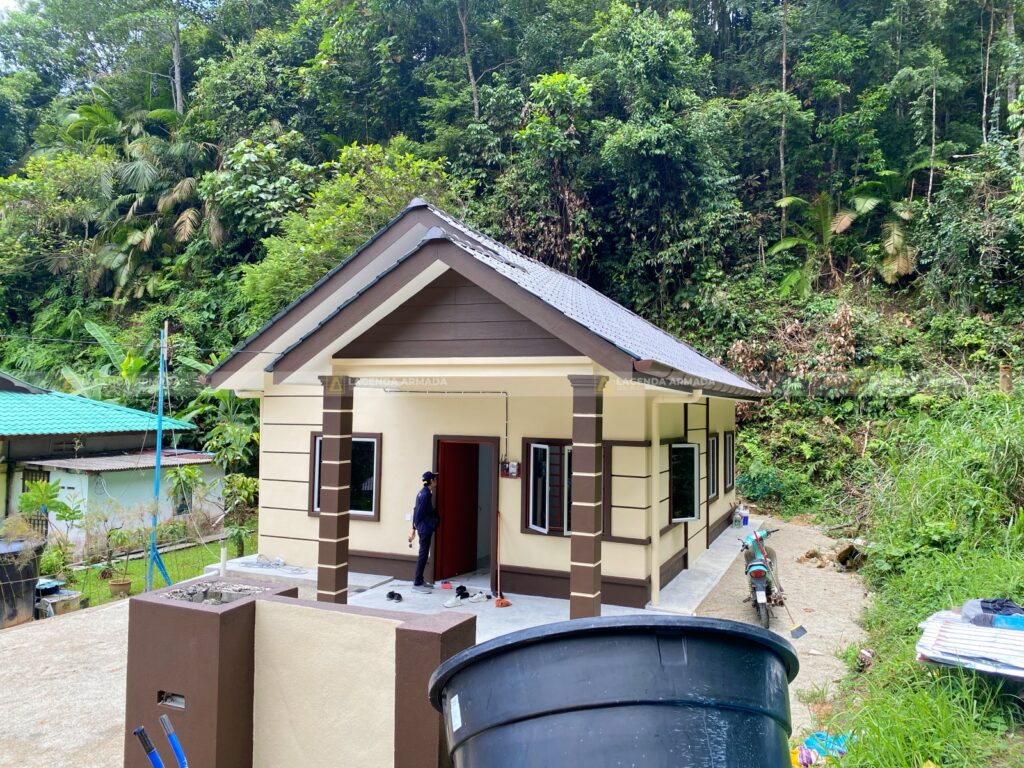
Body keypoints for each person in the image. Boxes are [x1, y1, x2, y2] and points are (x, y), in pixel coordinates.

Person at [409, 470, 439, 593]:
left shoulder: (422, 492)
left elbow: (415, 509)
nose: (436, 481)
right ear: (431, 481)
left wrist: (413, 528)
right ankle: (417, 583)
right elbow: (419, 513)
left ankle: (420, 580)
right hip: (424, 529)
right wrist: (416, 527)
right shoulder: (426, 494)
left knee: (424, 554)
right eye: (435, 479)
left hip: (422, 527)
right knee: (423, 554)